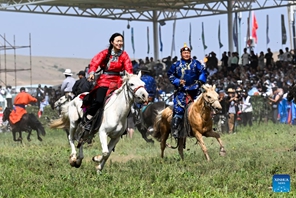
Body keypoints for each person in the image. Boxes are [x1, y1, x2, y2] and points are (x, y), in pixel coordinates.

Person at [82, 32, 133, 132]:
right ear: (112, 42)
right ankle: (88, 120)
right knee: (99, 101)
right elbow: (95, 62)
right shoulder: (105, 53)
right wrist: (91, 73)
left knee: (126, 102)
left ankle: (122, 126)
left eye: (121, 41)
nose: (120, 43)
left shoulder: (124, 55)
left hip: (118, 81)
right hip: (105, 80)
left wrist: (130, 76)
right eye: (117, 41)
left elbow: (128, 67)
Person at [167, 44, 207, 138]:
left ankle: (207, 125)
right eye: (185, 53)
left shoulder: (196, 63)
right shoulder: (176, 65)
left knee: (205, 105)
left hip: (195, 90)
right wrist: (178, 81)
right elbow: (170, 75)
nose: (186, 54)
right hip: (182, 91)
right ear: (181, 54)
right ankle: (176, 130)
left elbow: (202, 71)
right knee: (179, 109)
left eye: (188, 53)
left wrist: (201, 80)